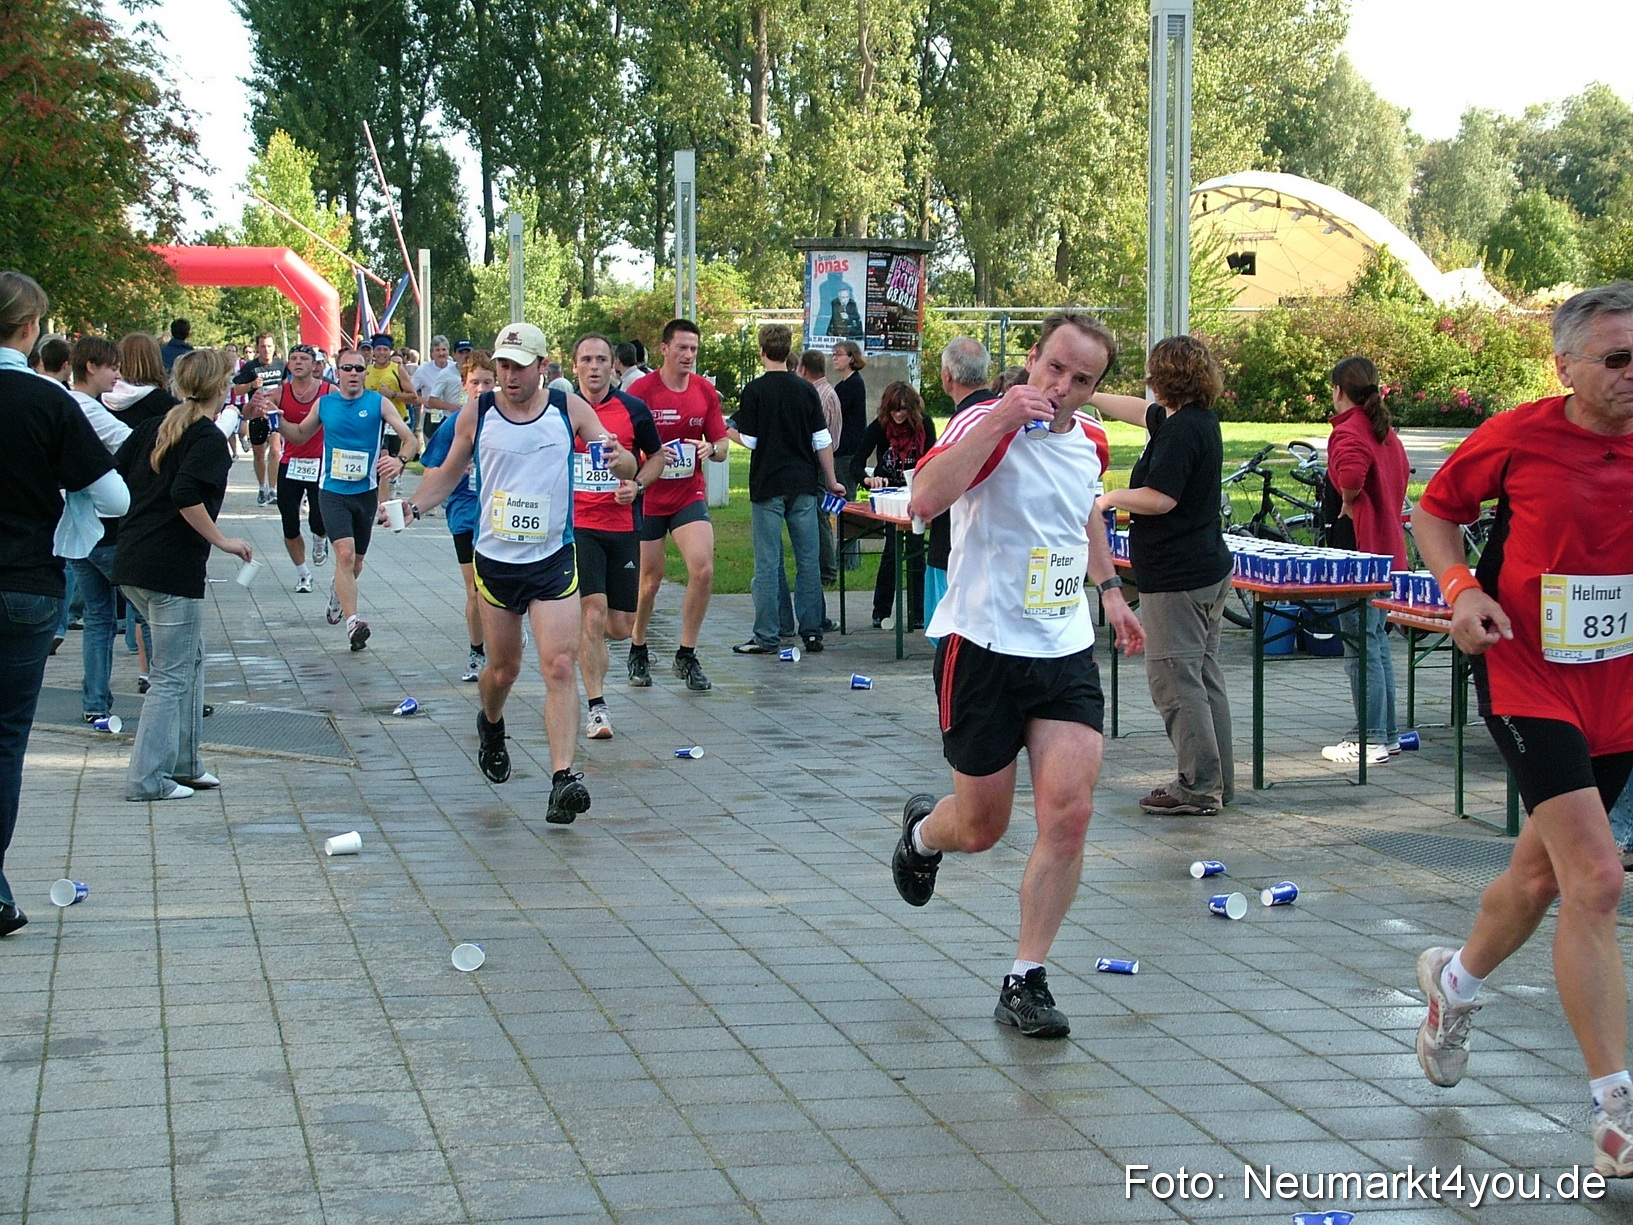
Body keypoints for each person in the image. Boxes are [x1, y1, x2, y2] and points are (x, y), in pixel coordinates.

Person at [1409, 282, 1633, 1178]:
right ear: (1566, 366)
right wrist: (1461, 594)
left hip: (1620, 684)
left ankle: (1450, 987)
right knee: (1597, 878)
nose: (1630, 375)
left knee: (1538, 875)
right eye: (1615, 360)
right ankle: (1613, 1106)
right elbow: (1434, 513)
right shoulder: (1519, 435)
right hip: (1527, 673)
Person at [892, 311, 1144, 1037]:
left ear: (1095, 389)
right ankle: (921, 835)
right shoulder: (983, 423)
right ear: (1031, 359)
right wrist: (1000, 416)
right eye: (1053, 369)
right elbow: (924, 497)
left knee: (1070, 812)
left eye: (1081, 379)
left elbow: (1084, 514)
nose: (1061, 387)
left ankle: (1024, 976)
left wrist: (1109, 591)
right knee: (981, 826)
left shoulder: (1090, 441)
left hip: (1062, 646)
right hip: (982, 645)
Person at [400, 322, 636, 824]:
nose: (508, 375)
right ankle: (491, 723)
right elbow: (444, 475)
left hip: (552, 561)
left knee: (557, 665)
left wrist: (622, 462)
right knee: (503, 671)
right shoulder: (479, 412)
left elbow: (618, 456)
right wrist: (412, 508)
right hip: (497, 563)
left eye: (519, 366)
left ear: (542, 368)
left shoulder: (567, 408)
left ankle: (562, 779)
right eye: (503, 365)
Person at [0, 271, 128, 936]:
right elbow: (114, 499)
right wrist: (66, 496)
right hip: (25, 582)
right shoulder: (48, 402)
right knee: (4, 743)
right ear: (29, 330)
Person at [1090, 335, 1235, 816]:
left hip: (1179, 577)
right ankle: (1218, 780)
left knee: (1175, 679)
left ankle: (1196, 786)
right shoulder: (1189, 419)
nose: (1147, 383)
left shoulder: (1182, 432)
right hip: (1205, 567)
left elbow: (1161, 497)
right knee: (1203, 676)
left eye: (1153, 372)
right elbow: (1137, 411)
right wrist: (1088, 394)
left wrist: (1110, 498)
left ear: (1165, 376)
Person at [113, 348, 244, 802]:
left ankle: (186, 762)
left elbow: (116, 477)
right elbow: (185, 492)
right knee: (170, 675)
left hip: (134, 562)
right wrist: (222, 540)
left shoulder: (155, 426)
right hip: (170, 568)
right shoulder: (206, 437)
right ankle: (146, 779)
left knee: (190, 658)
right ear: (222, 388)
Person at [272, 346, 417, 650]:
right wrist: (275, 419)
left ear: (366, 374)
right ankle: (354, 625)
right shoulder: (325, 404)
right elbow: (298, 435)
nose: (353, 374)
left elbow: (410, 439)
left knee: (357, 562)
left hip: (365, 493)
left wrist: (400, 461)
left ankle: (339, 594)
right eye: (347, 369)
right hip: (332, 491)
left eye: (359, 369)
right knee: (346, 555)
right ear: (336, 373)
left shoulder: (378, 403)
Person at [569, 334, 664, 739]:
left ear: (614, 366)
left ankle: (577, 631)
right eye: (586, 359)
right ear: (574, 366)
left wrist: (637, 486)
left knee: (620, 626)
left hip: (622, 526)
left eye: (601, 359)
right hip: (577, 526)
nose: (594, 366)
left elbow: (657, 456)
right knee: (592, 611)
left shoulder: (633, 409)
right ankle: (597, 708)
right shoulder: (561, 410)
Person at [729, 324, 844, 656]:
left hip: (767, 483)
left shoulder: (755, 391)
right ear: (789, 351)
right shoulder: (806, 390)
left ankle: (767, 634)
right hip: (803, 483)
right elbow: (821, 439)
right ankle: (811, 631)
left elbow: (750, 440)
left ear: (762, 352)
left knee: (768, 560)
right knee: (807, 559)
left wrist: (727, 431)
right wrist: (832, 479)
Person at [626, 320, 729, 692]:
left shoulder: (704, 392)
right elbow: (623, 444)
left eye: (694, 350)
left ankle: (686, 653)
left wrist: (709, 449)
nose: (688, 356)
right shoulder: (641, 391)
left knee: (702, 571)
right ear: (665, 349)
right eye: (682, 348)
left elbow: (721, 446)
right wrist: (648, 457)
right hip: (649, 497)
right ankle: (638, 644)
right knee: (649, 582)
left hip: (688, 495)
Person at [1319, 356, 1410, 765]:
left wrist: (1349, 500)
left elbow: (1352, 475)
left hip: (1359, 550)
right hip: (1388, 547)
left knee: (1359, 645)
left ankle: (1369, 737)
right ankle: (1386, 732)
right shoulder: (1384, 431)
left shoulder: (1349, 432)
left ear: (1338, 390)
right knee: (1375, 643)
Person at [65, 336, 133, 725]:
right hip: (105, 527)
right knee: (148, 611)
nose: (118, 375)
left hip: (75, 527)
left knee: (97, 617)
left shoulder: (69, 403)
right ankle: (168, 692)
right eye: (112, 367)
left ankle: (94, 702)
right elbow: (131, 440)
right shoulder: (86, 407)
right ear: (91, 367)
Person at [419, 352, 493, 683]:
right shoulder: (456, 423)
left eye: (487, 382)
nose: (481, 388)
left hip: (500, 513)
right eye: (474, 382)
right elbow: (430, 468)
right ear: (464, 385)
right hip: (464, 510)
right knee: (474, 588)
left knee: (499, 585)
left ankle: (504, 633)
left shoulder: (508, 419)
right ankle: (477, 651)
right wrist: (454, 466)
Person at [852, 381, 937, 630]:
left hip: (916, 496)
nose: (899, 415)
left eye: (903, 410)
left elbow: (934, 458)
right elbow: (856, 464)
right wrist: (869, 479)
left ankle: (918, 612)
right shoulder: (879, 428)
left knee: (915, 550)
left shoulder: (925, 426)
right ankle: (881, 610)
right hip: (889, 498)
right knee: (891, 550)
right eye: (894, 410)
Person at [924, 339, 992, 641]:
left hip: (960, 547)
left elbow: (932, 493)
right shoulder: (1003, 412)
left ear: (946, 377)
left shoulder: (964, 421)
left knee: (951, 636)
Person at [272, 344, 331, 592]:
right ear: (288, 364)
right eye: (293, 358)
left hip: (319, 463)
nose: (298, 362)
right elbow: (252, 412)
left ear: (314, 364)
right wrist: (255, 407)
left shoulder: (329, 391)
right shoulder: (279, 393)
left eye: (304, 358)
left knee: (319, 519)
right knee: (289, 522)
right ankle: (303, 573)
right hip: (290, 464)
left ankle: (320, 538)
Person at [798, 349, 844, 587]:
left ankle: (826, 569)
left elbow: (819, 435)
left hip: (817, 462)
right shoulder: (829, 392)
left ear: (803, 369)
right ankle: (825, 566)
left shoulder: (817, 395)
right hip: (824, 459)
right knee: (820, 515)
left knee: (819, 516)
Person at [232, 332, 286, 506]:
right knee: (259, 454)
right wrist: (251, 386)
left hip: (274, 414)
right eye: (263, 346)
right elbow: (237, 390)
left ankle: (273, 489)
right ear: (257, 348)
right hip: (256, 414)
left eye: (269, 346)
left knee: (276, 451)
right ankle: (262, 487)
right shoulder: (250, 367)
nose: (266, 350)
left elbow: (287, 386)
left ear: (274, 348)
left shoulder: (281, 365)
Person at [831, 340, 868, 571]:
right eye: (833, 354)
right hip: (841, 449)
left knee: (847, 503)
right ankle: (842, 556)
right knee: (839, 504)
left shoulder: (853, 384)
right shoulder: (842, 385)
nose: (834, 358)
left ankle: (850, 559)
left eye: (839, 354)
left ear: (851, 358)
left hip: (847, 451)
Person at [363, 332, 418, 462]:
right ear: (373, 351)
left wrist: (392, 394)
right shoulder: (367, 370)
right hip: (373, 420)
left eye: (385, 349)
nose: (382, 353)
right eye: (378, 349)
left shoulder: (397, 369)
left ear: (390, 352)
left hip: (395, 420)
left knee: (393, 457)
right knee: (382, 455)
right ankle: (381, 481)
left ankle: (393, 480)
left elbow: (413, 397)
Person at [412, 334, 464, 447]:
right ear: (432, 353)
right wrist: (423, 400)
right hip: (432, 416)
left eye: (444, 349)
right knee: (433, 451)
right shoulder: (423, 371)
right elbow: (410, 392)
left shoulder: (456, 368)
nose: (441, 353)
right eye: (437, 350)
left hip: (452, 416)